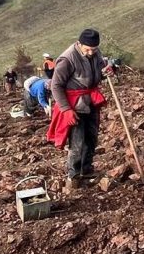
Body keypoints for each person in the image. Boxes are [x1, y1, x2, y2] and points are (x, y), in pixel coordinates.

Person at [46, 29, 114, 189]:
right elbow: (56, 86)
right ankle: (73, 177)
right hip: (73, 104)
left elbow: (98, 70)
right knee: (77, 143)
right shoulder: (68, 59)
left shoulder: (96, 53)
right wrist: (66, 109)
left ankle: (87, 169)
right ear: (79, 44)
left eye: (94, 49)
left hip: (90, 101)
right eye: (87, 49)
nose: (91, 52)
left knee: (91, 137)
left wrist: (107, 71)